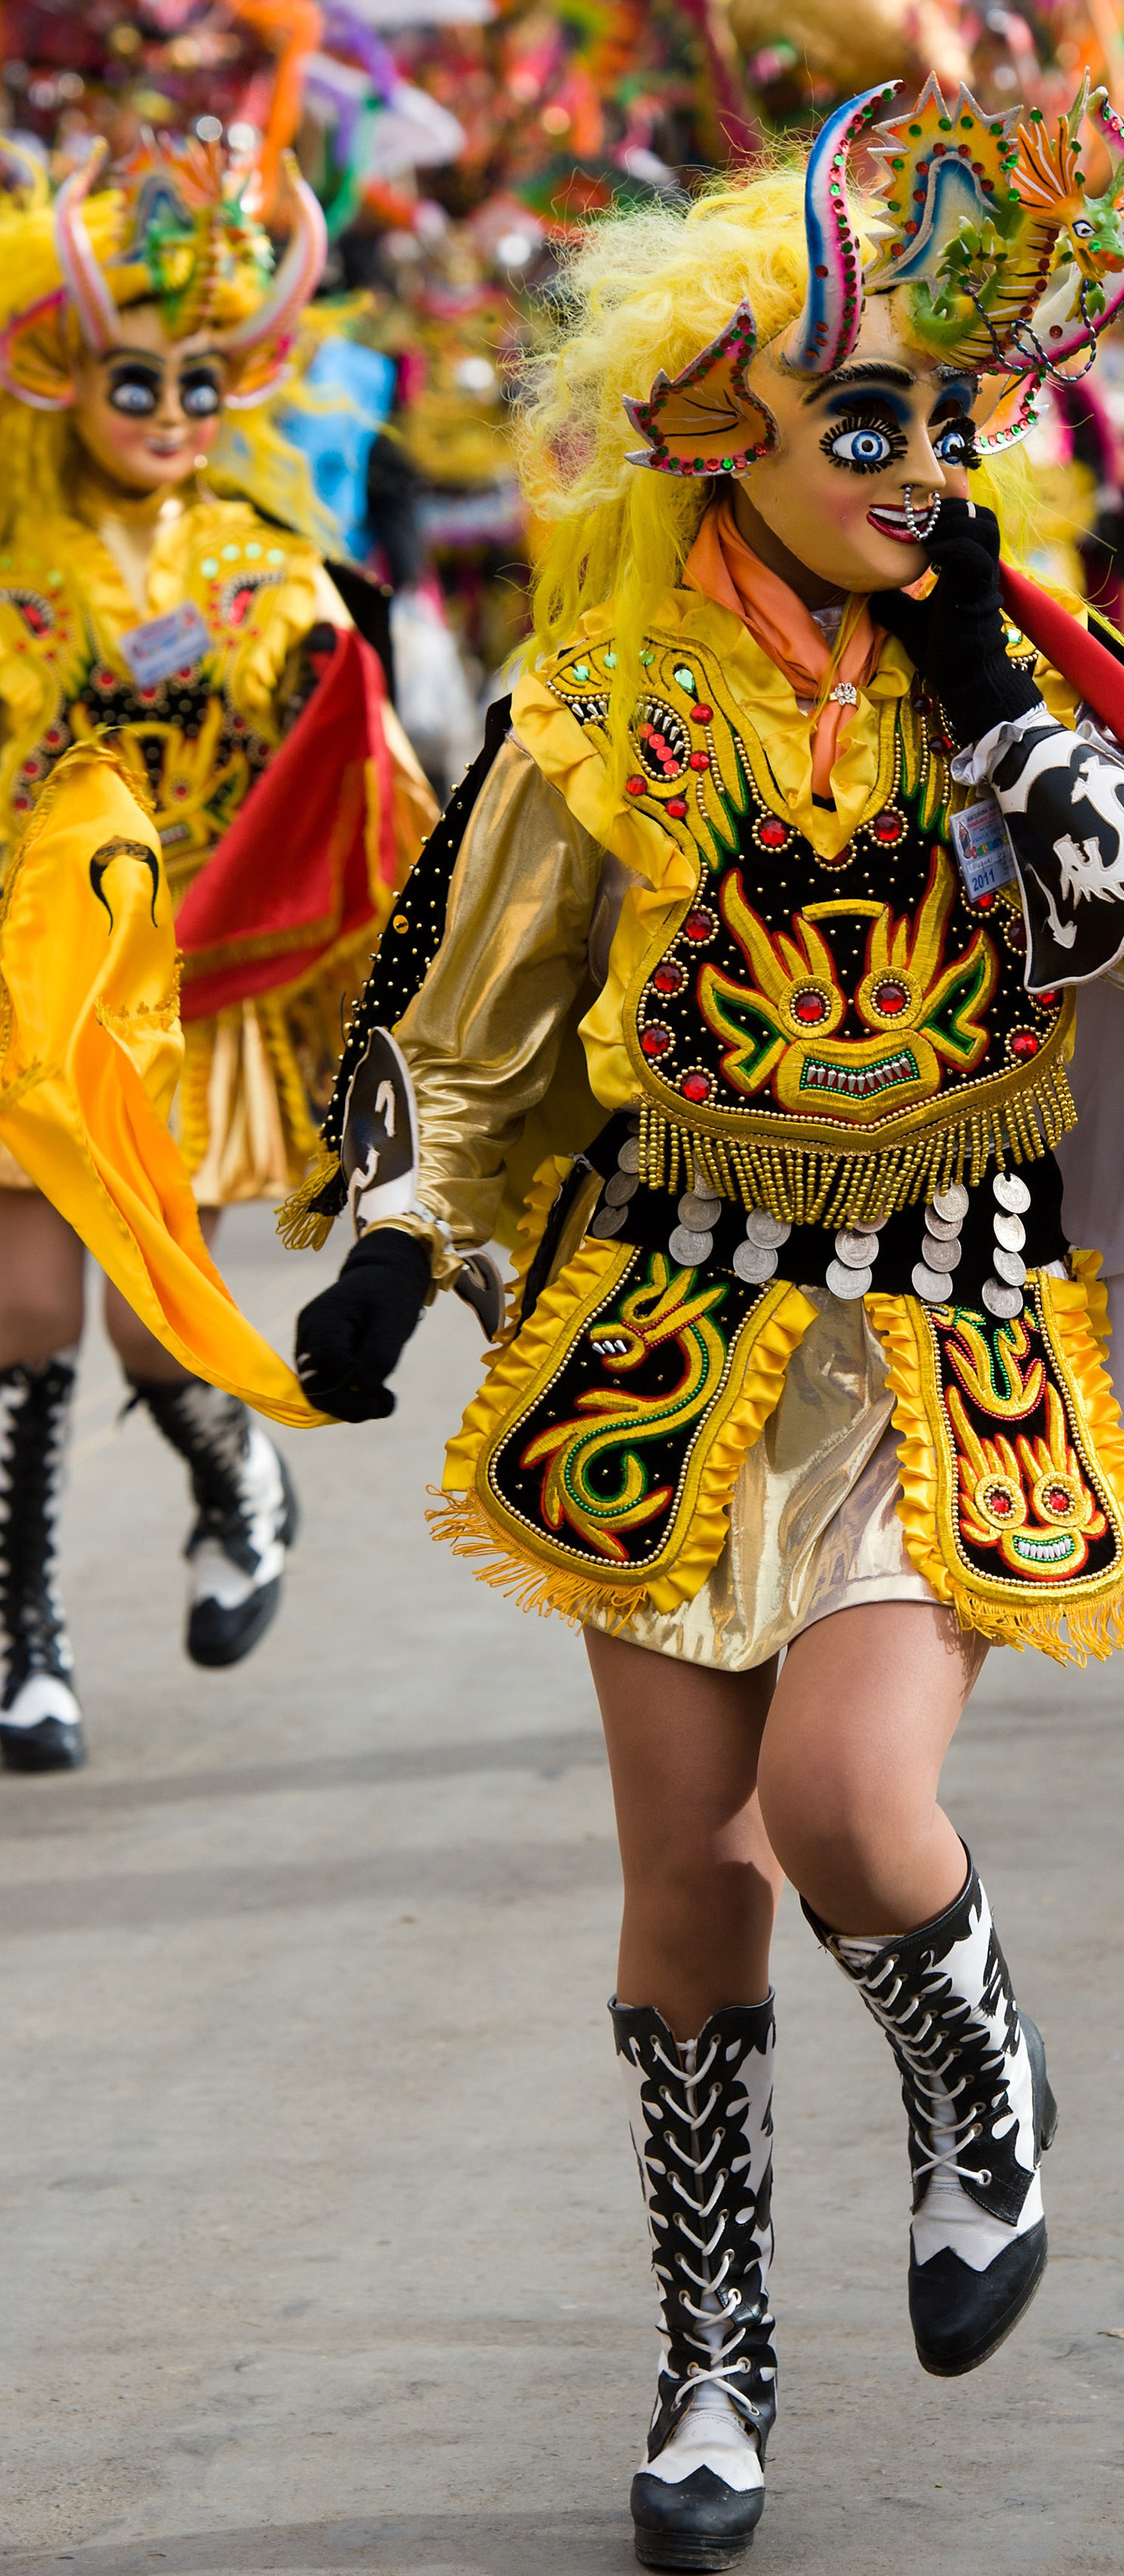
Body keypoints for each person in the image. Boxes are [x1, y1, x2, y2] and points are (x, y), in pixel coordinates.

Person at [291, 79, 1124, 2571]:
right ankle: (714, 2365)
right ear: (716, 430)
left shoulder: (1019, 680)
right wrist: (402, 1246)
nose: (920, 461)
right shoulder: (599, 711)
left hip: (947, 1340)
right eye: (864, 419)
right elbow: (490, 1016)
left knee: (860, 1813)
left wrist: (987, 677)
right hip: (666, 1335)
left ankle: (981, 2078)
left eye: (953, 417)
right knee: (692, 1884)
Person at [0, 132, 432, 1773]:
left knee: (141, 1320)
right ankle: (23, 1637)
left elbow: (344, 773)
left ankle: (236, 1472)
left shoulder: (262, 562)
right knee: (25, 1312)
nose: (172, 412)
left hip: (171, 990)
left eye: (201, 379)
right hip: (20, 978)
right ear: (61, 377)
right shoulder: (10, 560)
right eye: (135, 377)